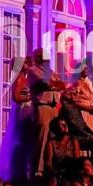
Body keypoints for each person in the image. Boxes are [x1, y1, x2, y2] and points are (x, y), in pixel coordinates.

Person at [27, 49, 65, 178]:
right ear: (38, 57)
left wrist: (53, 85)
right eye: (44, 56)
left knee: (53, 138)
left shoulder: (52, 72)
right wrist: (53, 84)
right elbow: (44, 83)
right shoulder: (33, 70)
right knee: (41, 138)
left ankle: (51, 167)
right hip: (42, 106)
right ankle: (38, 169)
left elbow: (61, 84)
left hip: (54, 107)